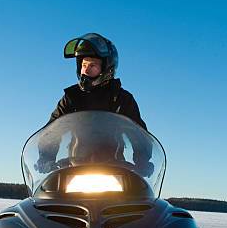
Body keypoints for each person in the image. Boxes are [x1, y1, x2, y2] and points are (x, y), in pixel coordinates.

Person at [37, 33, 153, 175]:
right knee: (50, 194)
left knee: (137, 195)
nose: (85, 70)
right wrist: (45, 157)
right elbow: (53, 129)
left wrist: (143, 162)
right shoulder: (71, 98)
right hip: (75, 169)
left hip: (114, 172)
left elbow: (138, 133)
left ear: (107, 68)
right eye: (83, 65)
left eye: (92, 65)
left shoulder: (122, 99)